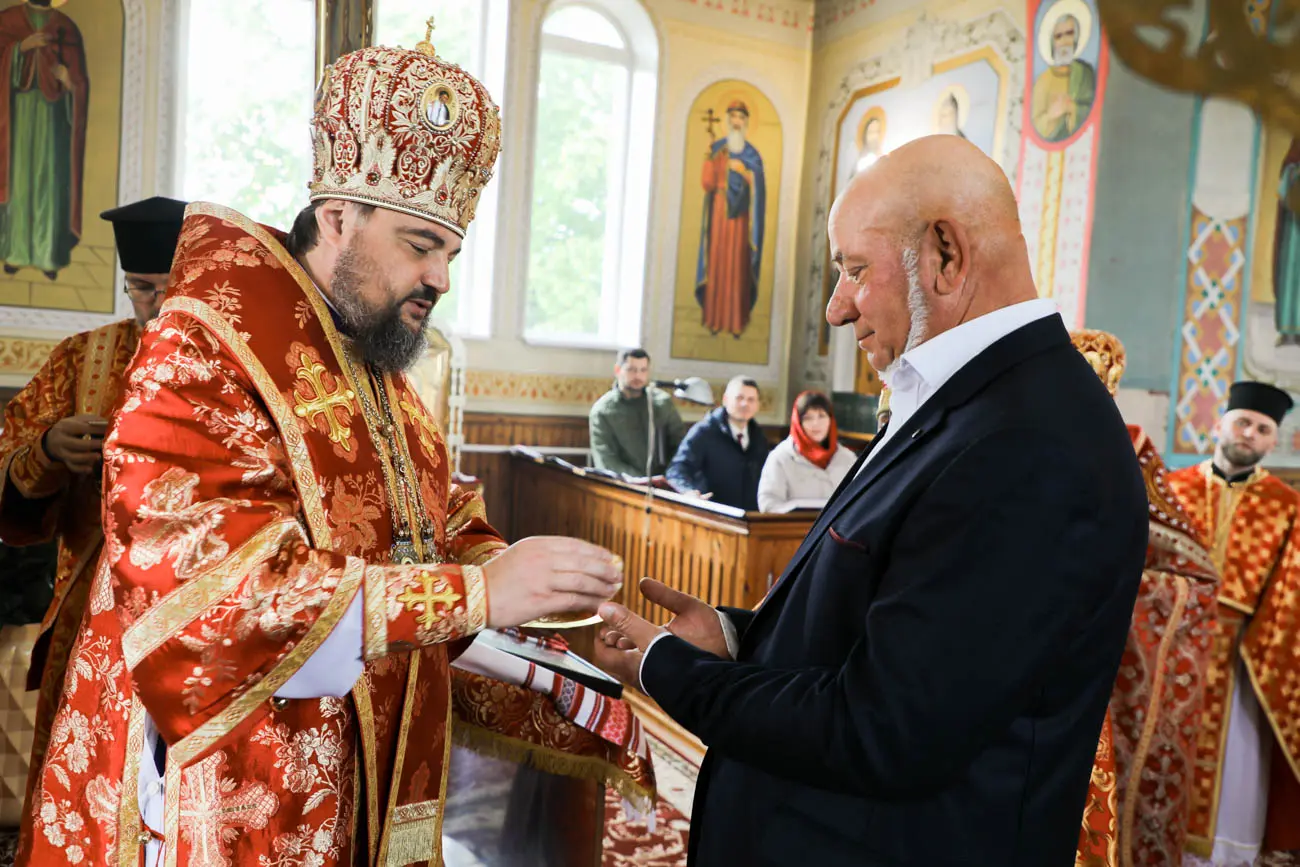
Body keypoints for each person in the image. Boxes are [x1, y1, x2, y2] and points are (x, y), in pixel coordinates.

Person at [16, 37, 622, 867]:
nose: (441, 277)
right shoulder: (207, 346)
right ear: (337, 218)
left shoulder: (376, 369)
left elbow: (437, 519)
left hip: (357, 769)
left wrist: (528, 587)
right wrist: (475, 593)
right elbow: (218, 596)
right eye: (420, 244)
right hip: (228, 785)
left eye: (450, 253)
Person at [595, 135, 1147, 866]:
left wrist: (669, 669)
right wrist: (738, 639)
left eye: (855, 269)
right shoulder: (963, 400)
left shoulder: (1030, 442)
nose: (835, 308)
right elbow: (892, 624)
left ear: (945, 255)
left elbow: (886, 730)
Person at [0, 195, 186, 800]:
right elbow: (10, 465)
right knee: (76, 783)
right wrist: (49, 449)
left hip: (190, 607)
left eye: (168, 288)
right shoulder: (81, 357)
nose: (155, 304)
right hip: (88, 604)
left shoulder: (233, 363)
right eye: (141, 288)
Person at [1072, 329, 1220, 865]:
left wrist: (1115, 591)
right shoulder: (1011, 443)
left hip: (1107, 656)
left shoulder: (1131, 454)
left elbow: (1194, 574)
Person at [1166, 381, 1300, 865]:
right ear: (1218, 425)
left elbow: (1292, 590)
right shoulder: (1170, 489)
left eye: (1262, 429)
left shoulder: (1288, 505)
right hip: (1169, 647)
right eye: (1242, 422)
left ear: (1273, 442)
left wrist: (1263, 642)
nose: (1250, 433)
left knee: (1239, 766)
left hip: (1246, 656)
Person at [0, 0, 89, 279]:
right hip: (16, 116)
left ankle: (47, 254)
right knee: (19, 181)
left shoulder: (66, 27)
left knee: (48, 182)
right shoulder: (8, 20)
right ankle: (15, 252)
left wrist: (69, 81)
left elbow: (80, 82)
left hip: (53, 119)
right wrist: (19, 49)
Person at [696, 100, 766, 337]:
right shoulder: (717, 148)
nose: (737, 122)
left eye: (741, 117)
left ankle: (736, 321)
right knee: (717, 264)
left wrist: (744, 172)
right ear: (727, 120)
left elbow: (758, 188)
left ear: (746, 122)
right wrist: (710, 159)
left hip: (740, 220)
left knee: (736, 267)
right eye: (733, 117)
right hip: (719, 216)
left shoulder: (752, 155)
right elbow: (707, 184)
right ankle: (714, 319)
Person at [667, 375, 768, 510]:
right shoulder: (704, 431)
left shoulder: (758, 436)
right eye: (739, 398)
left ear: (757, 405)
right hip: (711, 513)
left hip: (748, 516)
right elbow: (677, 470)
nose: (745, 404)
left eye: (751, 400)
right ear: (725, 400)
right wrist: (688, 492)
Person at [588, 348, 687, 477]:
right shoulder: (602, 411)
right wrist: (642, 481)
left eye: (643, 370)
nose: (638, 376)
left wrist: (669, 477)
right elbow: (606, 461)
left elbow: (681, 447)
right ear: (618, 370)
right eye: (631, 370)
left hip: (665, 481)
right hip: (624, 484)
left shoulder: (662, 403)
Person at [756, 390, 856, 512]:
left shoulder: (848, 458)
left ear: (831, 419)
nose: (816, 423)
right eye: (808, 418)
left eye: (821, 416)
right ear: (798, 422)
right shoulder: (780, 457)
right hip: (795, 524)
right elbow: (768, 504)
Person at [1031, 12, 1096, 142]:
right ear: (1052, 42)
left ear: (1076, 38)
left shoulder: (1085, 73)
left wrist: (1072, 108)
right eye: (1058, 36)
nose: (1064, 42)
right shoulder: (1043, 80)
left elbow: (1094, 110)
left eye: (1069, 33)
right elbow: (1035, 126)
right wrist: (1051, 115)